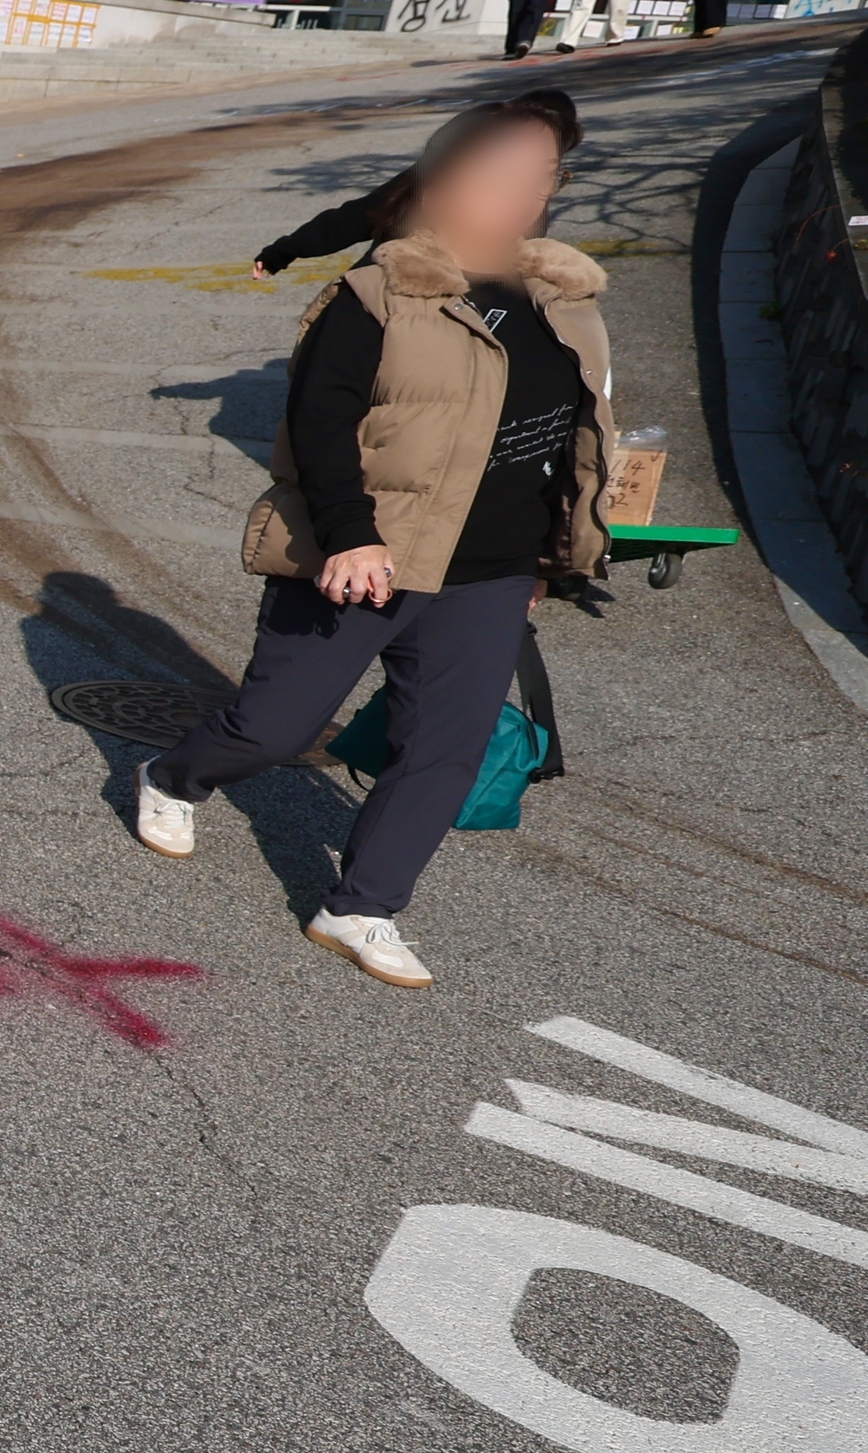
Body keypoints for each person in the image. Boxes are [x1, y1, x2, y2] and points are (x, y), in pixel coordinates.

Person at [140, 96, 618, 987]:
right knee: (275, 728)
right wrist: (351, 537)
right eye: (498, 173)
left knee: (445, 747)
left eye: (539, 177)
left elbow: (569, 445)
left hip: (488, 573)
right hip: (369, 555)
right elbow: (318, 422)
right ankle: (173, 776)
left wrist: (550, 561)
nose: (520, 194)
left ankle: (362, 905)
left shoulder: (566, 303)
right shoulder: (379, 293)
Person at [249, 87, 581, 276]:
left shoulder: (535, 195)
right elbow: (353, 218)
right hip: (389, 290)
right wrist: (282, 251)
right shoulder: (432, 176)